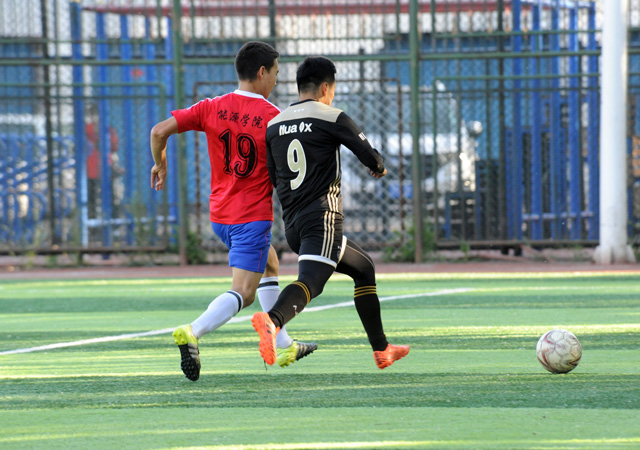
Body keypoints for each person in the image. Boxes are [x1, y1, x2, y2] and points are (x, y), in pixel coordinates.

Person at [149, 41, 317, 382]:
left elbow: (158, 131)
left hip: (220, 216)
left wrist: (160, 164)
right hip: (251, 217)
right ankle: (193, 331)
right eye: (275, 73)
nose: (276, 80)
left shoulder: (211, 106)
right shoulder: (273, 117)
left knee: (270, 262)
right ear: (262, 72)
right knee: (244, 291)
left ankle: (282, 343)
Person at [251, 56, 409, 369]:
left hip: (293, 223)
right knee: (312, 281)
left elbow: (273, 176)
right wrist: (379, 167)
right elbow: (372, 158)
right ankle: (273, 321)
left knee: (363, 268)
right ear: (326, 88)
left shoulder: (274, 125)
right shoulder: (332, 116)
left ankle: (382, 349)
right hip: (322, 218)